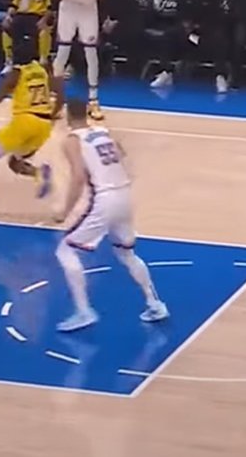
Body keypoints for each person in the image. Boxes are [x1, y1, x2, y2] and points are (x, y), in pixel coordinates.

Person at [51, 99, 168, 332]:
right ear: (87, 112)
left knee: (65, 249)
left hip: (105, 199)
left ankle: (83, 311)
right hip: (124, 194)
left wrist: (65, 210)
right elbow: (122, 157)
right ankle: (155, 303)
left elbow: (78, 177)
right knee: (126, 253)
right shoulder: (103, 132)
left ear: (66, 115)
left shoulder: (72, 140)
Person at [0, 32, 62, 215]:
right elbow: (61, 95)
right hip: (44, 125)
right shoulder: (43, 69)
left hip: (25, 122)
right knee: (15, 163)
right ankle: (40, 173)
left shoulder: (15, 74)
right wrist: (53, 114)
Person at [52, 0, 106, 120]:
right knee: (62, 51)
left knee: (91, 53)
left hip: (88, 9)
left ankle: (93, 100)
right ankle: (55, 98)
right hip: (68, 7)